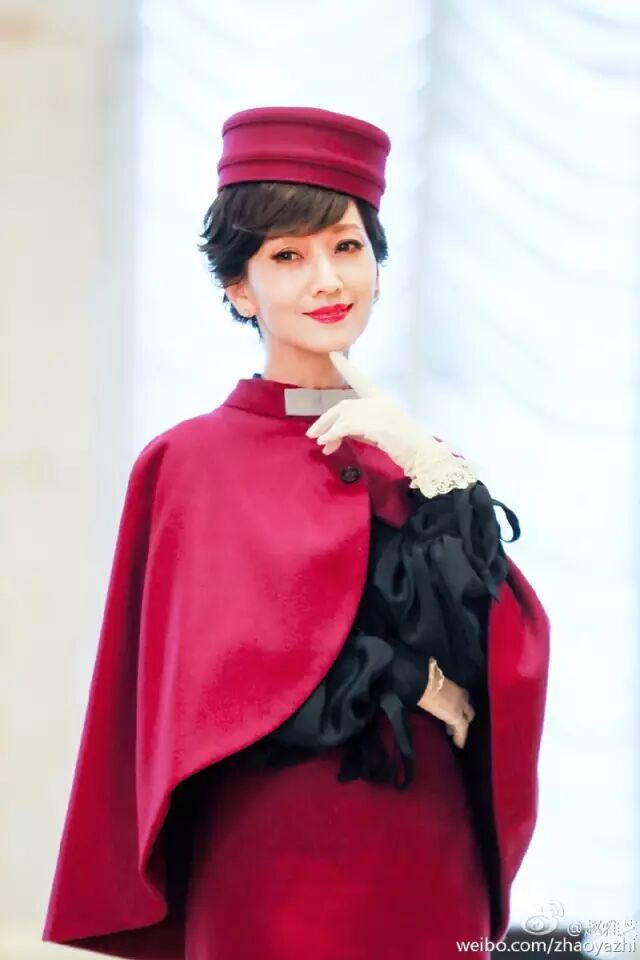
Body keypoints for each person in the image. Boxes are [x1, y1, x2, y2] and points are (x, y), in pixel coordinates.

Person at [42, 106, 550, 960]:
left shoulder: (416, 460)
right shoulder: (188, 461)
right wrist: (400, 674)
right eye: (288, 255)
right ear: (239, 288)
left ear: (378, 265)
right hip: (266, 863)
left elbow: (501, 656)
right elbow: (209, 681)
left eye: (347, 247)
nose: (327, 280)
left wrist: (435, 470)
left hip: (428, 860)